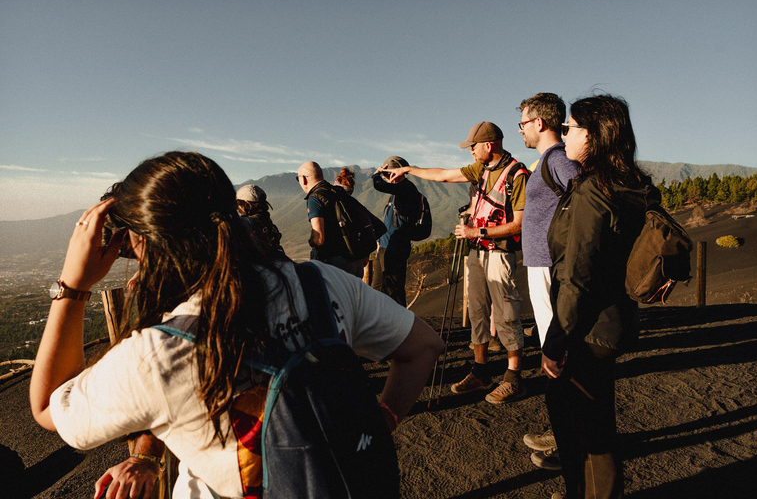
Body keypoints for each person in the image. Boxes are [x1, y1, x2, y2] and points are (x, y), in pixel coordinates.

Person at [29, 151, 445, 499]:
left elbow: (48, 406)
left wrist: (71, 287)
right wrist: (380, 420)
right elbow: (423, 346)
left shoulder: (156, 355)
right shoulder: (319, 284)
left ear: (143, 243)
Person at [542, 95, 660, 499]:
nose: (564, 134)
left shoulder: (594, 190)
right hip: (613, 319)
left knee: (589, 429)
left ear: (592, 136)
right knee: (588, 419)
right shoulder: (635, 185)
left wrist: (555, 342)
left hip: (587, 328)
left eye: (570, 127)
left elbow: (577, 276)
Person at [385, 122, 528, 405]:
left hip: (499, 253)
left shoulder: (518, 174)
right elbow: (444, 176)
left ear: (489, 145)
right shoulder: (480, 170)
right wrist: (408, 169)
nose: (471, 151)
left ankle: (513, 378)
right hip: (477, 253)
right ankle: (481, 371)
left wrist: (478, 232)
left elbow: (519, 224)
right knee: (476, 312)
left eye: (473, 146)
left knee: (507, 314)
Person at [517, 93, 581, 471]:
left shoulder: (558, 160)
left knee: (557, 353)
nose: (521, 129)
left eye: (523, 122)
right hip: (542, 265)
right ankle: (563, 432)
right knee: (553, 348)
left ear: (540, 123)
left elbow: (584, 202)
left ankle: (569, 444)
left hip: (549, 267)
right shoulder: (549, 160)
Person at [297, 161, 368, 277]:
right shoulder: (339, 192)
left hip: (336, 265)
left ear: (304, 179)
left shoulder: (315, 198)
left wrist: (311, 242)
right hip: (356, 261)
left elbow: (319, 239)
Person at [370, 156, 424, 306]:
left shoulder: (406, 188)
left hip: (396, 249)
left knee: (393, 291)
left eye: (387, 173)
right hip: (386, 246)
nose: (386, 178)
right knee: (377, 289)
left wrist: (376, 175)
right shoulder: (397, 191)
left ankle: (400, 326)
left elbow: (379, 186)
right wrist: (380, 241)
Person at [236, 183, 285, 254]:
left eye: (238, 204)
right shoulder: (268, 223)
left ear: (247, 204)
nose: (238, 209)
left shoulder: (246, 224)